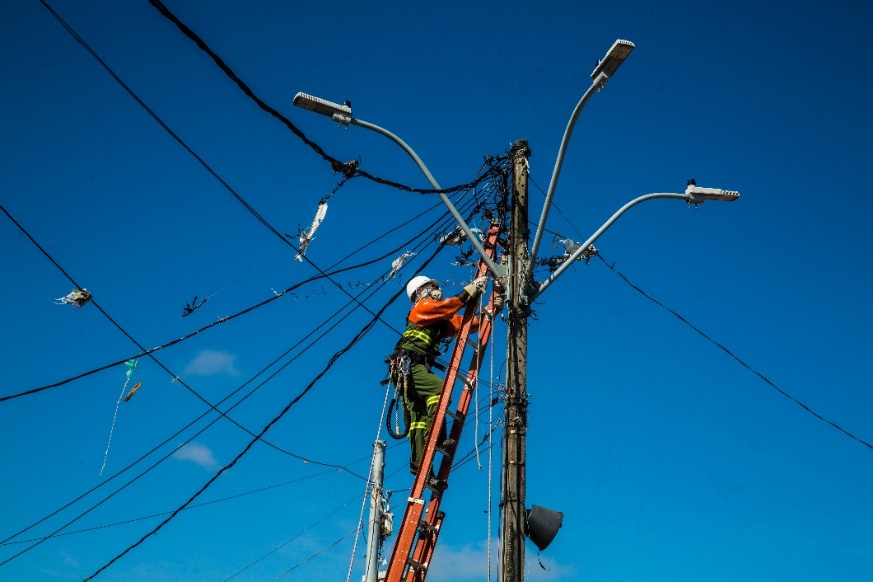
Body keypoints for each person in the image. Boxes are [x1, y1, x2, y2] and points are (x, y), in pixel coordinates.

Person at [391, 274, 488, 486]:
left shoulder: (436, 321)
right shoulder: (421, 308)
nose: (437, 291)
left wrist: (488, 312)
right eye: (432, 287)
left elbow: (462, 323)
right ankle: (437, 438)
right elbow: (448, 307)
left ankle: (423, 470)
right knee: (439, 391)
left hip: (410, 370)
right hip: (410, 366)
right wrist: (469, 291)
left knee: (417, 420)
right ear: (420, 293)